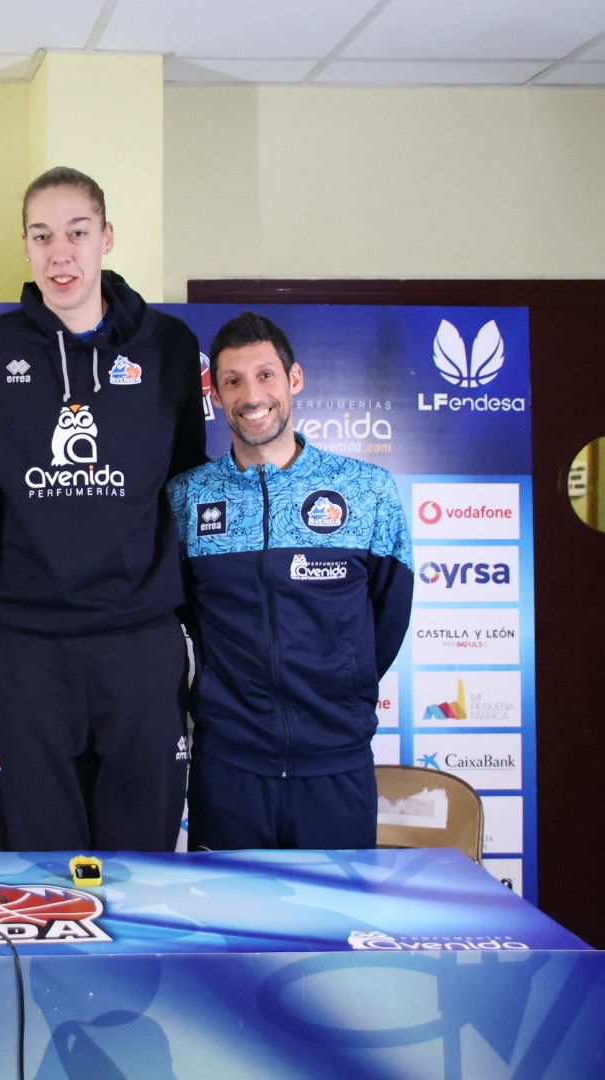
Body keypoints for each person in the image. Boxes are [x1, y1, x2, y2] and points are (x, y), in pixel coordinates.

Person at [0, 167, 207, 852]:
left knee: (141, 864)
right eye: (43, 235)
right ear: (26, 247)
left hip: (140, 640)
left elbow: (181, 483)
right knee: (37, 865)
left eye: (77, 233)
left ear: (106, 238)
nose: (61, 253)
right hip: (24, 644)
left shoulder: (171, 348)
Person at [166, 312, 413, 850]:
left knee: (333, 932)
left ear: (293, 379)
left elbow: (388, 616)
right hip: (229, 768)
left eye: (265, 375)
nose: (251, 395)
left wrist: (339, 687)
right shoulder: (186, 498)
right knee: (232, 931)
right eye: (232, 381)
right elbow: (185, 612)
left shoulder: (367, 489)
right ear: (215, 394)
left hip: (335, 767)